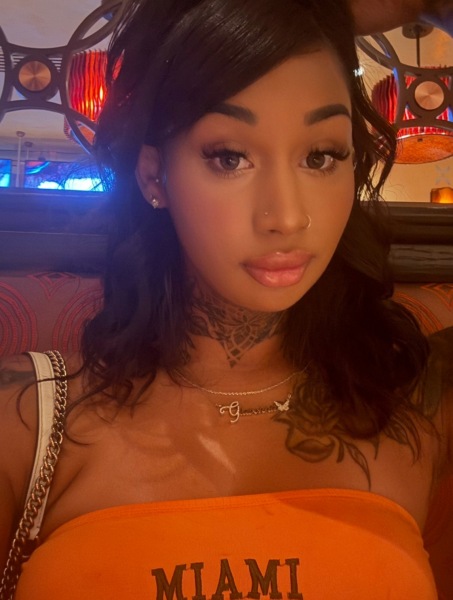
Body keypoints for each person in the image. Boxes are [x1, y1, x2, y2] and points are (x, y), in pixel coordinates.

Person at [1, 0, 452, 597]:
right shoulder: (26, 421)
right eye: (230, 157)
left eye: (321, 156)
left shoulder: (418, 404)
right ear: (154, 176)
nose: (286, 217)